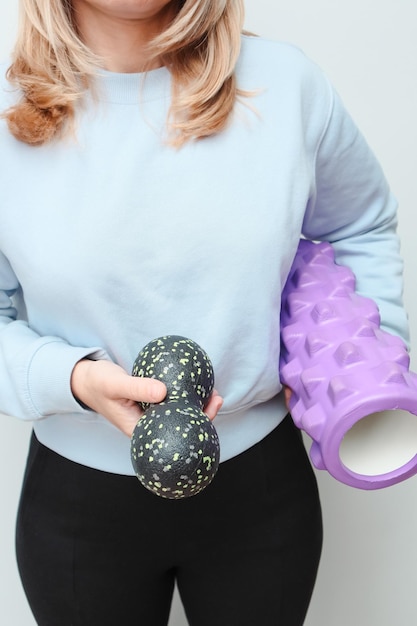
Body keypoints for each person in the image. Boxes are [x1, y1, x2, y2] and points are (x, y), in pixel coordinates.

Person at [0, 1, 409, 625]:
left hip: (260, 488)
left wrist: (366, 365)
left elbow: (359, 225)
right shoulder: (6, 112)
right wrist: (72, 378)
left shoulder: (287, 83)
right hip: (79, 505)